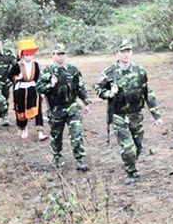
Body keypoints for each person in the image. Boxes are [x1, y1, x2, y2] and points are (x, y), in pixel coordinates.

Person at [94, 40, 163, 184]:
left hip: (136, 115)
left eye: (128, 51)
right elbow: (98, 89)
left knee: (138, 146)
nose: (126, 55)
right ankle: (131, 171)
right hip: (119, 115)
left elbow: (148, 93)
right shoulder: (109, 73)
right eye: (122, 52)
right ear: (117, 54)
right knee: (128, 147)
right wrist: (109, 93)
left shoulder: (140, 71)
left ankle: (131, 162)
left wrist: (156, 115)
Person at [36, 44, 91, 171]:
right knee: (56, 135)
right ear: (53, 55)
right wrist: (51, 84)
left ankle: (79, 159)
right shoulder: (47, 71)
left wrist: (85, 102)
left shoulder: (73, 70)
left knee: (76, 133)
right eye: (58, 54)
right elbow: (39, 88)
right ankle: (56, 156)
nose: (61, 57)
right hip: (56, 109)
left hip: (72, 107)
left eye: (62, 54)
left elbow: (80, 87)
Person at [9, 40, 48, 141]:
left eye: (31, 55)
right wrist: (17, 78)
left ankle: (40, 132)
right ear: (22, 55)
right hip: (20, 90)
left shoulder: (36, 65)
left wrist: (41, 91)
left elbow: (39, 78)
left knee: (37, 109)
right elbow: (10, 76)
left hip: (33, 89)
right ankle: (24, 129)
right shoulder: (17, 65)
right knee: (21, 110)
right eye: (26, 55)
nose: (29, 57)